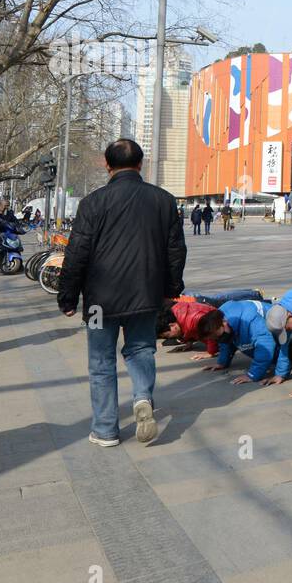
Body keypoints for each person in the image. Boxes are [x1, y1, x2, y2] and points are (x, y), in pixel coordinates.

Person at [57, 139, 186, 447]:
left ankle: (105, 430)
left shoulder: (93, 202)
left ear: (107, 164)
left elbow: (77, 253)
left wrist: (67, 296)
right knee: (141, 350)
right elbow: (176, 251)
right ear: (140, 164)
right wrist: (171, 290)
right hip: (145, 295)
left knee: (101, 362)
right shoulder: (163, 200)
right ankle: (142, 398)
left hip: (101, 301)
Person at [196, 299, 289, 385]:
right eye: (214, 338)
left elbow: (266, 347)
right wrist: (222, 362)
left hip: (283, 342)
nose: (217, 340)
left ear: (224, 322)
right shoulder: (218, 321)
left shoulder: (250, 319)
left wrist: (253, 374)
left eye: (217, 336)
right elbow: (226, 341)